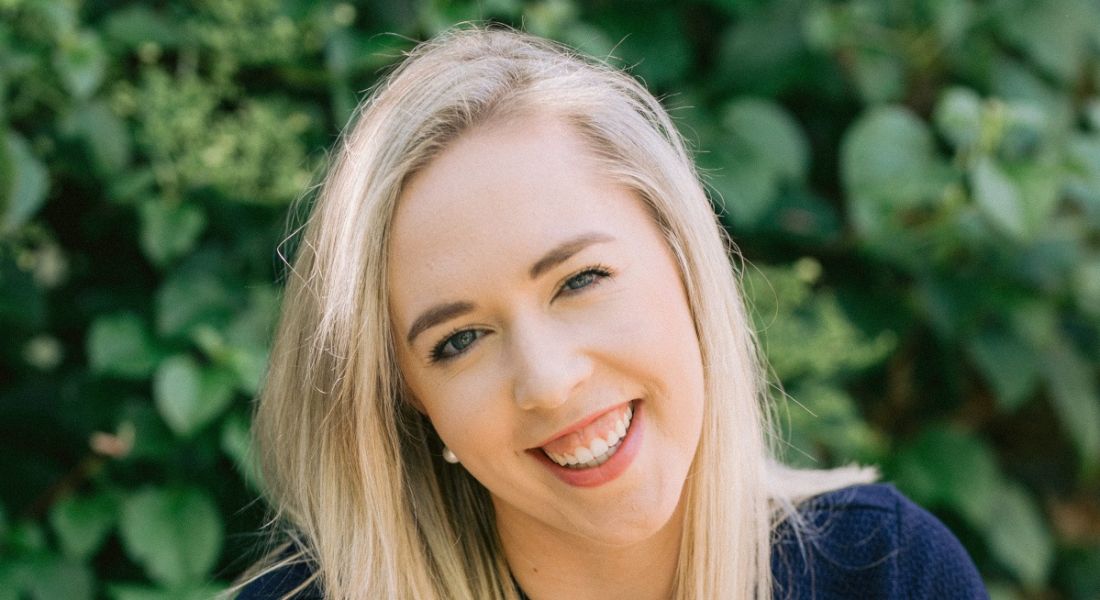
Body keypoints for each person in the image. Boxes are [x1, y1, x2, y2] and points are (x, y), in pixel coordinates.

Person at [234, 25, 987, 600]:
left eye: (580, 279)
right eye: (459, 340)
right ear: (407, 396)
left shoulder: (886, 573)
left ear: (683, 257)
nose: (549, 382)